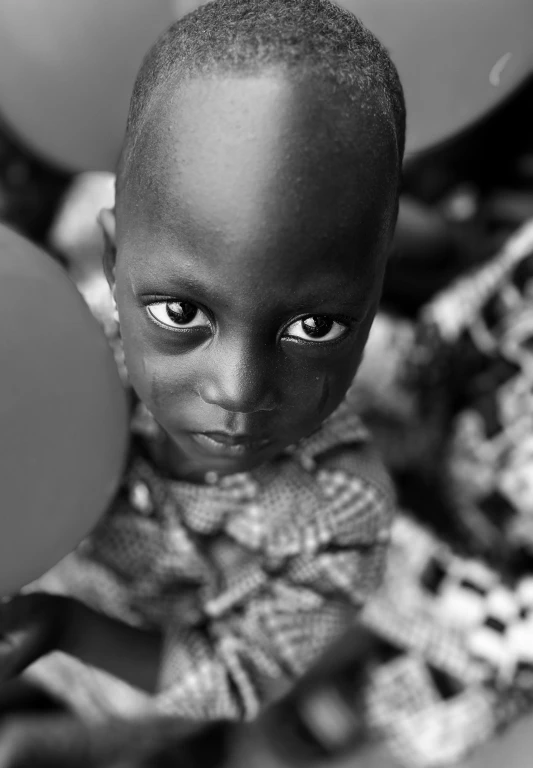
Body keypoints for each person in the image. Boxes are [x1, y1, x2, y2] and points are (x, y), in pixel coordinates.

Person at [0, 0, 405, 763]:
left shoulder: (343, 510)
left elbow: (239, 673)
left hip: (129, 690)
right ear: (114, 264)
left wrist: (65, 629)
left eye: (314, 327)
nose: (240, 388)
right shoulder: (52, 346)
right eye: (180, 312)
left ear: (375, 298)